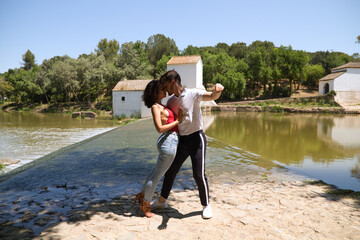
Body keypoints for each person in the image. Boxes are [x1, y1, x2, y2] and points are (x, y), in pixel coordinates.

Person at [151, 70, 224, 219]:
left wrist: (217, 91)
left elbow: (210, 96)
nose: (164, 89)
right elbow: (168, 116)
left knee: (198, 174)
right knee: (171, 172)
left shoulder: (193, 93)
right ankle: (162, 201)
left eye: (165, 86)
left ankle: (206, 205)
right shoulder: (171, 101)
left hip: (197, 139)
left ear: (173, 82)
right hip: (182, 141)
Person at [135, 79, 183, 218]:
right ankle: (146, 205)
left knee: (154, 173)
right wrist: (177, 121)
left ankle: (142, 196)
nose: (165, 90)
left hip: (169, 141)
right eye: (162, 88)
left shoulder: (163, 105)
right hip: (168, 142)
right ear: (156, 91)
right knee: (156, 177)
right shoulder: (155, 107)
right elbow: (159, 128)